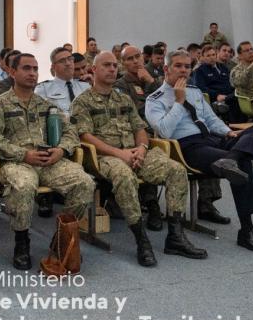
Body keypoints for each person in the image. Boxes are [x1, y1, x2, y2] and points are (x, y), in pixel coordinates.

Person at [72, 52, 207, 266]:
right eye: (106, 65)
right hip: (104, 157)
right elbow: (85, 137)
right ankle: (141, 240)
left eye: (115, 66)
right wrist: (121, 154)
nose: (112, 69)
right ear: (94, 69)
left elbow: (139, 128)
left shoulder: (123, 98)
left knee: (176, 170)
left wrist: (142, 149)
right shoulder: (83, 102)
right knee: (125, 177)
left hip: (135, 152)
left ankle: (175, 236)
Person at [146, 50, 253, 253]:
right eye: (178, 66)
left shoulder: (195, 91)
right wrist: (178, 101)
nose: (183, 71)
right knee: (243, 163)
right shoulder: (155, 99)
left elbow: (211, 119)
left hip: (211, 139)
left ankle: (231, 159)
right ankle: (247, 230)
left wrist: (228, 132)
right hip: (187, 147)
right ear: (166, 69)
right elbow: (164, 131)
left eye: (187, 67)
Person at [0, 52, 95, 270]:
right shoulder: (0, 105)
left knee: (84, 183)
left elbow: (71, 130)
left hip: (48, 160)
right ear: (12, 72)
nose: (32, 73)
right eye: (26, 68)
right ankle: (22, 242)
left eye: (35, 69)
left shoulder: (45, 104)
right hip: (16, 162)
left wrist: (61, 150)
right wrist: (23, 154)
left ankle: (62, 238)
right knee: (24, 186)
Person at [34, 46, 90, 114]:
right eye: (62, 61)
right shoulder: (43, 89)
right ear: (53, 67)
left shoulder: (86, 86)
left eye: (70, 59)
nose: (68, 63)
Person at [114, 45, 162, 121]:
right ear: (123, 63)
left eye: (137, 56)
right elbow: (139, 111)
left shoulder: (153, 77)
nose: (135, 61)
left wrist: (151, 81)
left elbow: (165, 99)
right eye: (130, 59)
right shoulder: (120, 85)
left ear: (142, 58)